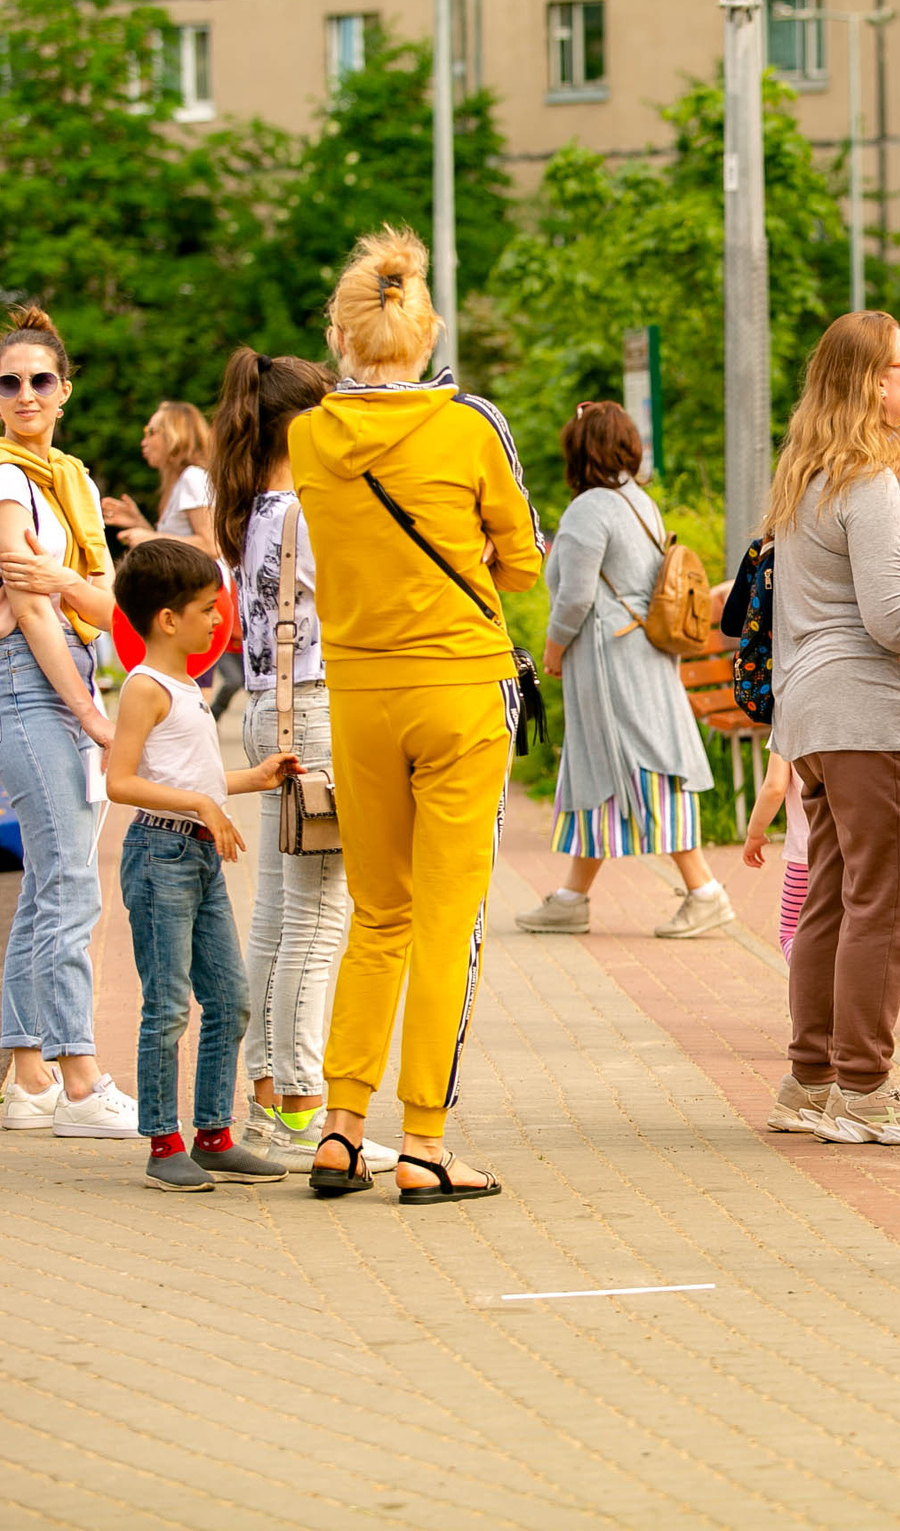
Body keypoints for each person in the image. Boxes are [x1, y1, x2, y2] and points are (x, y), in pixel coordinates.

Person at [291, 228, 543, 1204]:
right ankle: (425, 1142)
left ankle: (341, 1127)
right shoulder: (470, 426)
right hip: (459, 689)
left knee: (377, 913)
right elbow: (521, 562)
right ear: (426, 330)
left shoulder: (309, 437)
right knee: (448, 921)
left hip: (359, 694)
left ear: (339, 335)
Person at [762, 311, 900, 1147]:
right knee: (887, 906)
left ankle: (811, 1079)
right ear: (870, 383)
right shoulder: (867, 482)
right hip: (873, 714)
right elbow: (891, 619)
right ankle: (865, 1090)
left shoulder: (809, 476)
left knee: (831, 898)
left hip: (817, 715)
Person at [0, 305, 136, 1135]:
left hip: (66, 679)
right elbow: (33, 607)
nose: (26, 393)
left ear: (64, 390)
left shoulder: (72, 481)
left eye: (40, 379)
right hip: (28, 687)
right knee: (70, 887)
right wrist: (91, 713)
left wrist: (68, 588)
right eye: (9, 381)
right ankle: (81, 1079)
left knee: (49, 884)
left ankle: (28, 1076)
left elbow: (106, 599)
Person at [210, 348, 393, 1173]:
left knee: (278, 920)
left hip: (269, 711)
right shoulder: (307, 513)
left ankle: (265, 1099)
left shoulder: (254, 511)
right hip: (316, 715)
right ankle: (302, 1108)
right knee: (319, 923)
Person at [104, 538, 299, 1191]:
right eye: (207, 608)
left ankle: (214, 1136)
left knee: (230, 1000)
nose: (220, 620)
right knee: (167, 1006)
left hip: (197, 854)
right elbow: (120, 782)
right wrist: (200, 804)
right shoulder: (145, 688)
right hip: (160, 854)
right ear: (168, 619)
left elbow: (196, 779)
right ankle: (164, 1143)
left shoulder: (188, 685)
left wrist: (253, 778)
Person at [515, 401, 725, 940]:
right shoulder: (639, 501)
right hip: (642, 654)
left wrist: (553, 649)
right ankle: (572, 897)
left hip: (611, 662)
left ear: (579, 451)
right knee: (607, 766)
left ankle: (704, 890)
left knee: (637, 764)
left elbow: (575, 597)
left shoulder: (589, 509)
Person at [103, 400, 218, 555]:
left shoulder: (193, 477)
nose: (143, 442)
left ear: (175, 435)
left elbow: (212, 546)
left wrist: (151, 538)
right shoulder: (180, 482)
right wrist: (139, 523)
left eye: (151, 432)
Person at [741, 752, 810, 961]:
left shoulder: (787, 730)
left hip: (805, 857)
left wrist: (754, 833)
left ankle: (810, 979)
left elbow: (775, 788)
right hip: (856, 852)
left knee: (792, 932)